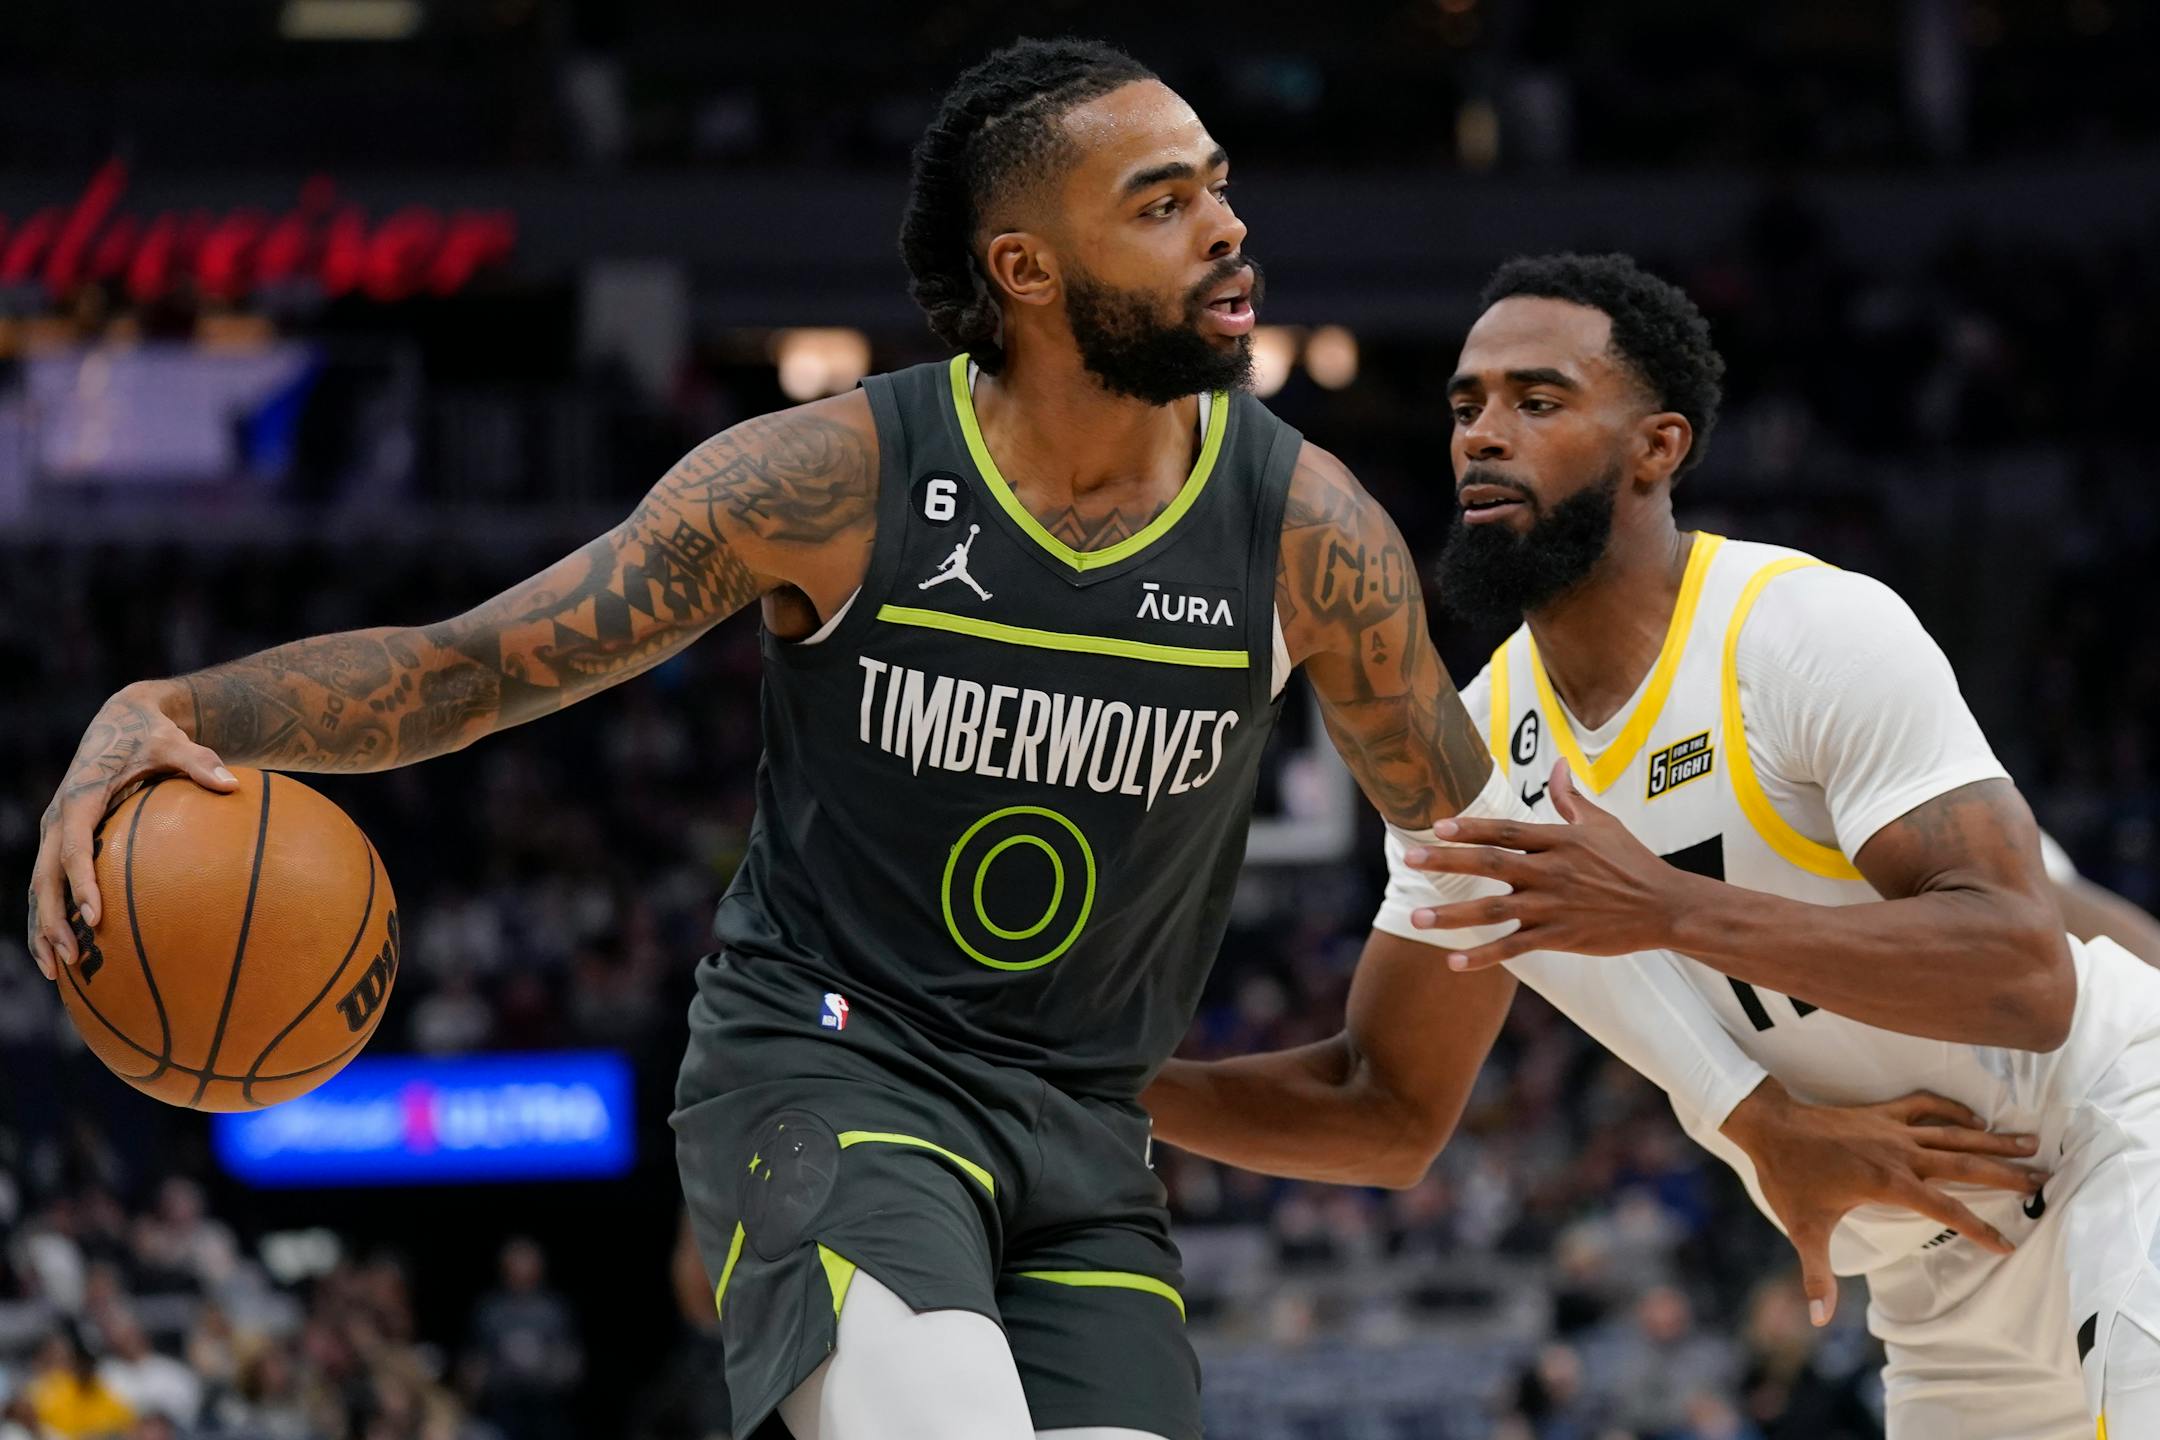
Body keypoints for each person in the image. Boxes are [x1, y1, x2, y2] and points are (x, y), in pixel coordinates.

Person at [21, 46, 2000, 1440]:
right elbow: (472, 670)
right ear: (1028, 273)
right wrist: (176, 710)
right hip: (828, 1073)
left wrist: (1750, 1124)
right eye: (1166, 200)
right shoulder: (828, 479)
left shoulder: (1309, 533)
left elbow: (1509, 874)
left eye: (1221, 181)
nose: (1230, 226)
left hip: (1078, 1126)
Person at [1144, 252, 2160, 1439]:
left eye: (1538, 400)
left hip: (2110, 1137)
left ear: (1657, 446)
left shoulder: (1803, 631)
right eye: (1465, 406)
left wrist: (1669, 909)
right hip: (1940, 1277)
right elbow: (1384, 1108)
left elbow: (2027, 977)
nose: (1482, 435)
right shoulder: (1473, 759)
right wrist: (1098, 1085)